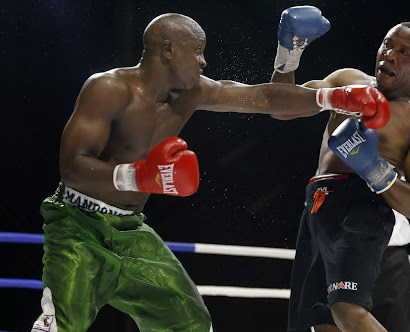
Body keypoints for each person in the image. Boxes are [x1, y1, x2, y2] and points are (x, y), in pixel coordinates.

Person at [30, 12, 389, 332]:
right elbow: (72, 168)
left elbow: (264, 98)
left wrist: (334, 98)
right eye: (196, 51)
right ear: (168, 50)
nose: (203, 61)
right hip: (77, 225)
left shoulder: (193, 92)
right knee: (64, 324)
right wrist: (138, 176)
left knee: (189, 322)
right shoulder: (108, 88)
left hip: (130, 229)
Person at [269, 6, 410, 332]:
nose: (389, 55)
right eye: (387, 45)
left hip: (363, 208)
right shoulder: (347, 81)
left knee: (347, 309)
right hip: (318, 205)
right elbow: (280, 107)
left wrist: (372, 166)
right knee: (316, 322)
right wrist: (289, 53)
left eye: (403, 52)